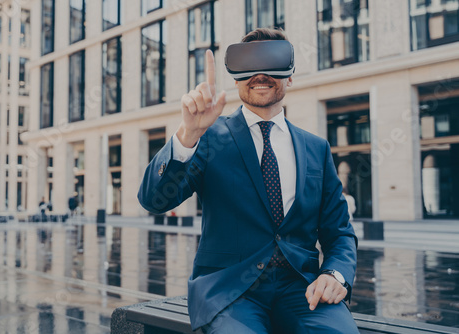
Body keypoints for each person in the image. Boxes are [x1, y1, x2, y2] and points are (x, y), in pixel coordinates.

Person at [138, 28, 358, 333]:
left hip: (303, 289)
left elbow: (340, 233)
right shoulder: (208, 137)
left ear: (290, 76)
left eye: (272, 63)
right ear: (237, 78)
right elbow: (153, 200)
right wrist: (188, 134)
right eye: (250, 66)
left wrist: (335, 274)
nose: (261, 74)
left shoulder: (316, 148)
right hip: (230, 292)